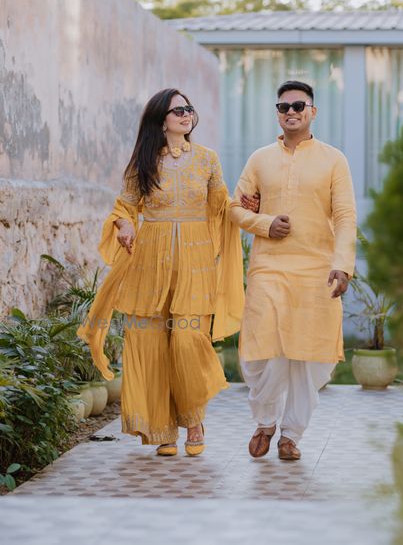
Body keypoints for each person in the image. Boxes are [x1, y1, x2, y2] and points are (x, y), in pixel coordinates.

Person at [77, 88, 245, 456]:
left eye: (189, 109)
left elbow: (221, 203)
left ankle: (193, 419)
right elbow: (124, 207)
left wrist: (246, 209)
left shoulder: (207, 159)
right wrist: (124, 226)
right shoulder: (143, 162)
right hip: (149, 265)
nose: (186, 115)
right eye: (177, 110)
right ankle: (163, 430)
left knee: (187, 341)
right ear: (161, 121)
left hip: (196, 265)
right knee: (151, 344)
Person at [230, 80, 357, 461]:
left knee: (309, 356)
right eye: (284, 107)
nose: (291, 112)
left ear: (312, 111)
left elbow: (345, 216)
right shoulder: (259, 159)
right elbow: (235, 208)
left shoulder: (334, 160)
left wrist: (342, 265)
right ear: (277, 114)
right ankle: (265, 420)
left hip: (317, 269)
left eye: (299, 106)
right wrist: (265, 223)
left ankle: (290, 434)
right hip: (268, 267)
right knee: (260, 349)